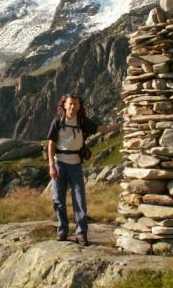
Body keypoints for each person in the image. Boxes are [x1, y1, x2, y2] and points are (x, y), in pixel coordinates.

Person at [47, 93, 120, 246]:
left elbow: (102, 129)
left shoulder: (82, 121)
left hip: (75, 165)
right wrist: (51, 166)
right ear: (64, 105)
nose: (73, 106)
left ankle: (81, 234)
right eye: (70, 103)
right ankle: (62, 230)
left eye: (76, 104)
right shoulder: (58, 121)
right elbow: (51, 144)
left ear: (79, 106)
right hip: (59, 163)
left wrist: (120, 125)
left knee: (80, 199)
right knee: (58, 199)